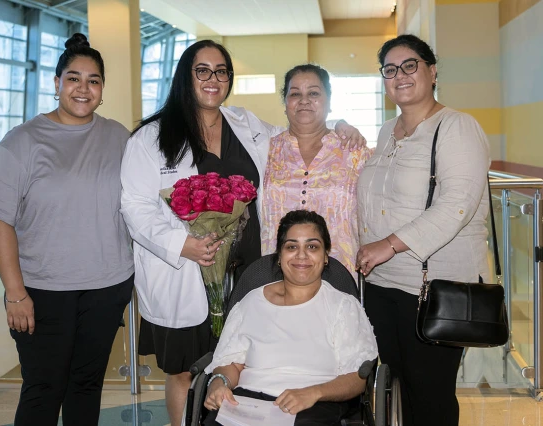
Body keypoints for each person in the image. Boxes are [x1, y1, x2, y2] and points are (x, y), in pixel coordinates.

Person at [120, 40, 362, 426]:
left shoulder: (245, 125)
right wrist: (184, 245)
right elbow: (134, 206)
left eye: (221, 71)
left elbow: (298, 130)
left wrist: (340, 126)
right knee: (185, 369)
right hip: (185, 273)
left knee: (241, 365)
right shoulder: (150, 139)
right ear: (185, 75)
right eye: (203, 71)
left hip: (249, 277)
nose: (213, 80)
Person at [0, 34, 134, 426]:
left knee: (86, 386)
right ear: (56, 83)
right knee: (43, 389)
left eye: (93, 80)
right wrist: (15, 294)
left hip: (106, 287)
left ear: (102, 89)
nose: (83, 88)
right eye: (73, 78)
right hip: (42, 292)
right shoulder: (22, 142)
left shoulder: (118, 137)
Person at [355, 34, 490, 426]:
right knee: (397, 384)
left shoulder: (456, 126)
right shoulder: (385, 131)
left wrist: (391, 245)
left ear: (432, 71)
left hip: (433, 286)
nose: (400, 75)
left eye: (410, 65)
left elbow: (457, 205)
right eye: (390, 69)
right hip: (382, 284)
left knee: (429, 390)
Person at [203, 210, 378, 425]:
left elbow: (357, 378)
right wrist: (219, 383)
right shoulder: (250, 303)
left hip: (314, 404)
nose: (301, 255)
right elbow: (230, 362)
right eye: (291, 246)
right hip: (248, 403)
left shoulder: (343, 306)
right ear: (279, 256)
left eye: (312, 246)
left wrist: (313, 393)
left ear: (325, 256)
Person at [261, 64, 372, 274]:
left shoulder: (355, 152)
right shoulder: (265, 151)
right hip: (275, 276)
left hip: (339, 276)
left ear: (329, 102)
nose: (304, 100)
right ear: (285, 103)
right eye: (295, 94)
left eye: (313, 93)